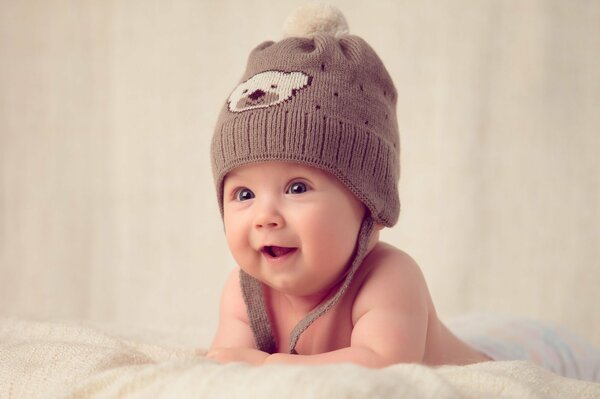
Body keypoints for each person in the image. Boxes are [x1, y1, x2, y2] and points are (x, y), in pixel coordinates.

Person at [207, 5, 600, 379]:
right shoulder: (244, 292)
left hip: (511, 350)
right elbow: (228, 364)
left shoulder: (389, 278)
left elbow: (381, 365)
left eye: (297, 187)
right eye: (243, 195)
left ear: (367, 202)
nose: (265, 216)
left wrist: (266, 365)